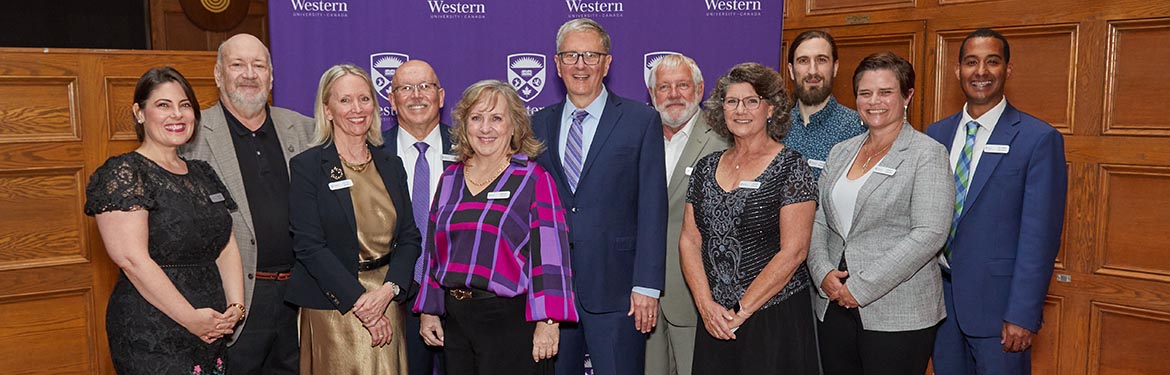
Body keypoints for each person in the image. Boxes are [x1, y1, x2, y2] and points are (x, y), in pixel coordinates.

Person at [530, 17, 668, 375]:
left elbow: (653, 209)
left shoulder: (642, 120)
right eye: (571, 56)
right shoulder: (537, 124)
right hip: (555, 293)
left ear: (607, 63)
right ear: (557, 64)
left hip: (619, 292)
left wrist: (647, 287)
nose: (581, 65)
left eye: (591, 55)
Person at [85, 66, 245, 374]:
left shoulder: (203, 174)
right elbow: (132, 259)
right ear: (139, 112)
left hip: (213, 328)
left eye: (185, 105)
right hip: (153, 331)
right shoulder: (125, 173)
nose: (177, 115)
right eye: (163, 105)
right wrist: (190, 318)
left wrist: (235, 308)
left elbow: (225, 245)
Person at [412, 79, 578, 375]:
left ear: (514, 126)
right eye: (476, 118)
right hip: (456, 321)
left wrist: (549, 321)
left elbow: (551, 257)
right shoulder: (450, 179)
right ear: (464, 126)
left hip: (510, 322)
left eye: (496, 118)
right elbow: (435, 254)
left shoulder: (533, 179)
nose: (485, 128)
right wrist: (430, 309)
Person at [928, 28, 1067, 375]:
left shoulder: (1037, 139)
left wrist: (1022, 313)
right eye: (972, 62)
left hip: (999, 314)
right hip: (939, 306)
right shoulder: (935, 136)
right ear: (957, 70)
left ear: (1008, 69)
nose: (981, 72)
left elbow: (1040, 238)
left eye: (993, 62)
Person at [806, 52, 953, 375]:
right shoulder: (841, 151)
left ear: (907, 96)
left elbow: (929, 234)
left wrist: (861, 288)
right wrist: (822, 272)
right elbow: (819, 218)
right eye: (865, 93)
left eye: (885, 92)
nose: (874, 101)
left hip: (897, 311)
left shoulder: (927, 154)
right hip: (833, 303)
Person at [180, 33, 313, 375]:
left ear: (272, 75)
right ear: (218, 75)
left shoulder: (305, 130)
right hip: (231, 302)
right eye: (237, 65)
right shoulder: (190, 136)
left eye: (258, 65)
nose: (249, 74)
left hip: (300, 298)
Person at [678, 62, 819, 375]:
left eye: (751, 101)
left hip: (772, 318)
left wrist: (740, 312)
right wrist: (705, 305)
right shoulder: (704, 168)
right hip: (715, 318)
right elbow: (690, 240)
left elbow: (794, 252)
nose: (740, 110)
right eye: (732, 101)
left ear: (770, 109)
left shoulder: (791, 167)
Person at [285, 64, 422, 374]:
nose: (356, 109)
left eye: (364, 99)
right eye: (345, 100)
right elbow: (309, 246)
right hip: (334, 306)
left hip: (387, 299)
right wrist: (364, 305)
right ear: (327, 109)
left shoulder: (391, 163)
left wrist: (388, 292)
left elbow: (410, 237)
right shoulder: (308, 167)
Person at [645, 53, 728, 375]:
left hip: (698, 295)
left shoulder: (723, 141)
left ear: (699, 89)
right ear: (652, 94)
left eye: (682, 85)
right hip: (644, 296)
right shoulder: (637, 137)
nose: (674, 94)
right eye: (664, 87)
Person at [379, 59, 453, 375]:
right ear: (392, 101)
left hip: (459, 295)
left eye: (425, 86)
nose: (416, 95)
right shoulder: (372, 153)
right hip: (395, 298)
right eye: (405, 88)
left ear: (441, 96)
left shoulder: (472, 147)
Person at [783, 30, 865, 181]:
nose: (812, 71)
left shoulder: (859, 129)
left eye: (821, 60)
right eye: (803, 61)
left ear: (835, 67)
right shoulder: (775, 128)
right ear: (791, 71)